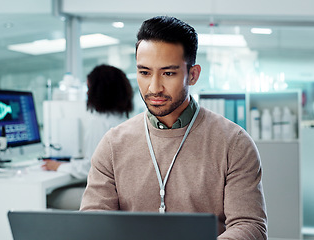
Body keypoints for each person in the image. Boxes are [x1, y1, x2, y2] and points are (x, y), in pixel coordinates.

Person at [80, 16, 267, 239]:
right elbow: (93, 222)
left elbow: (249, 225)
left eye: (168, 73)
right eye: (144, 72)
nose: (154, 87)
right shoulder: (113, 144)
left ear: (193, 74)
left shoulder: (234, 142)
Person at [43, 64, 133, 209]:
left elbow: (91, 169)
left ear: (98, 91)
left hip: (108, 198)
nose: (86, 94)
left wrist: (58, 166)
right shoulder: (126, 120)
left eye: (88, 88)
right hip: (124, 195)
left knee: (49, 196)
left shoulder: (99, 122)